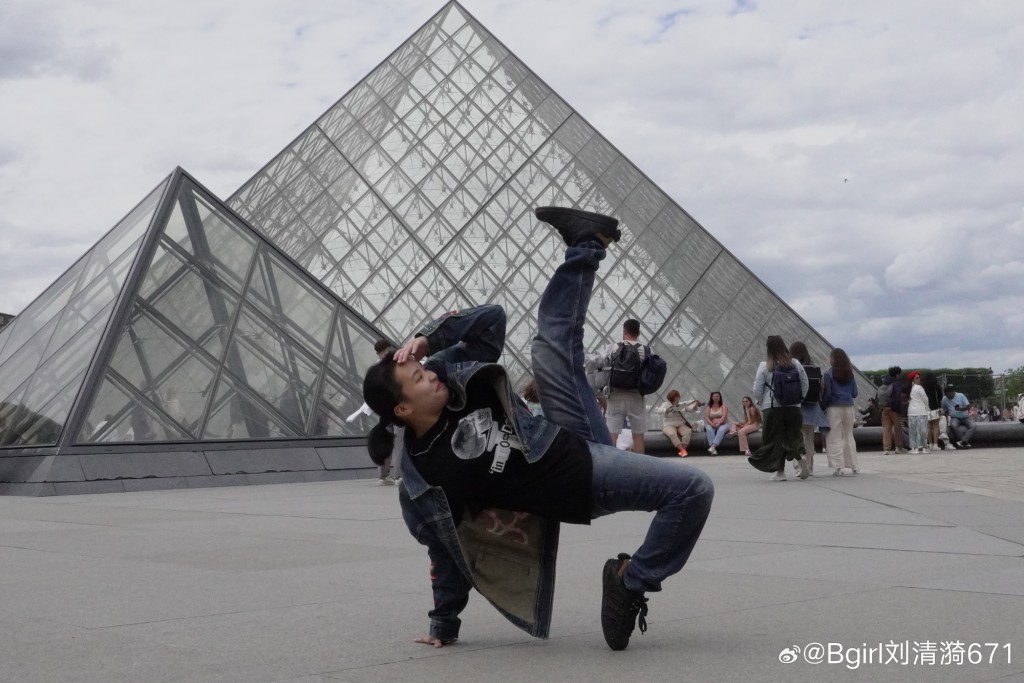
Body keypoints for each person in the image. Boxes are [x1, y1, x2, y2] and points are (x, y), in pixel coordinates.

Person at [362, 207, 714, 651]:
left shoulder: (448, 373)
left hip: (562, 431)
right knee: (694, 488)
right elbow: (443, 549)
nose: (428, 375)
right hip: (584, 479)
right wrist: (443, 622)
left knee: (551, 344)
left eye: (422, 368)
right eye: (417, 379)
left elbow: (492, 318)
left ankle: (587, 243)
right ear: (401, 409)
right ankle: (631, 582)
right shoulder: (420, 478)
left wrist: (431, 338)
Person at [747, 335, 809, 481]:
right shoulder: (794, 363)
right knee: (794, 435)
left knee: (774, 439)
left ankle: (780, 473)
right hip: (793, 407)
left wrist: (761, 402)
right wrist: (800, 399)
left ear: (768, 349)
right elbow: (805, 382)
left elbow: (757, 388)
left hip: (772, 407)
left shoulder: (765, 365)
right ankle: (800, 456)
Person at [589, 319, 649, 454]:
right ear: (639, 332)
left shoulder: (613, 347)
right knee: (638, 436)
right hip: (636, 397)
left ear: (624, 331)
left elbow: (595, 363)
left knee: (612, 435)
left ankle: (611, 468)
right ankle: (639, 468)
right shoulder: (645, 350)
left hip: (614, 396)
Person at [788, 341, 829, 475]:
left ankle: (800, 465)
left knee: (797, 438)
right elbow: (821, 388)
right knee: (809, 438)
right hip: (812, 407)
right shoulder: (813, 367)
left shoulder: (793, 367)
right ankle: (810, 467)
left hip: (797, 406)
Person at [822, 348, 859, 475]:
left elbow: (827, 394)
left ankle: (838, 466)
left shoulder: (828, 374)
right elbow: (855, 393)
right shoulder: (850, 373)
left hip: (833, 408)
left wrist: (823, 406)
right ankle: (854, 465)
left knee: (834, 437)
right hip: (849, 407)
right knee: (849, 436)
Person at [656, 390, 700, 456]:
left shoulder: (681, 405)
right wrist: (668, 410)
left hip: (680, 424)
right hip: (668, 424)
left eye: (678, 398)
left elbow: (690, 409)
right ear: (671, 398)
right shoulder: (665, 404)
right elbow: (658, 410)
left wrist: (696, 405)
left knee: (688, 432)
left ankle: (683, 450)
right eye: (676, 398)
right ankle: (682, 450)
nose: (677, 400)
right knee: (672, 434)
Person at [878, 366, 907, 454]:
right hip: (894, 409)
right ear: (898, 374)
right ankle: (898, 448)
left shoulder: (884, 383)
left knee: (886, 429)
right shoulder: (897, 383)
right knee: (897, 429)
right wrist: (896, 408)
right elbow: (897, 397)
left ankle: (886, 448)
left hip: (884, 409)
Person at [906, 371, 930, 454]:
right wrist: (927, 408)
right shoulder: (919, 388)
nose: (919, 379)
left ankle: (914, 448)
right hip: (921, 411)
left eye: (919, 377)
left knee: (912, 431)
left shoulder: (907, 389)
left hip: (911, 412)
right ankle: (924, 447)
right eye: (917, 377)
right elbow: (925, 399)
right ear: (913, 379)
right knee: (923, 430)